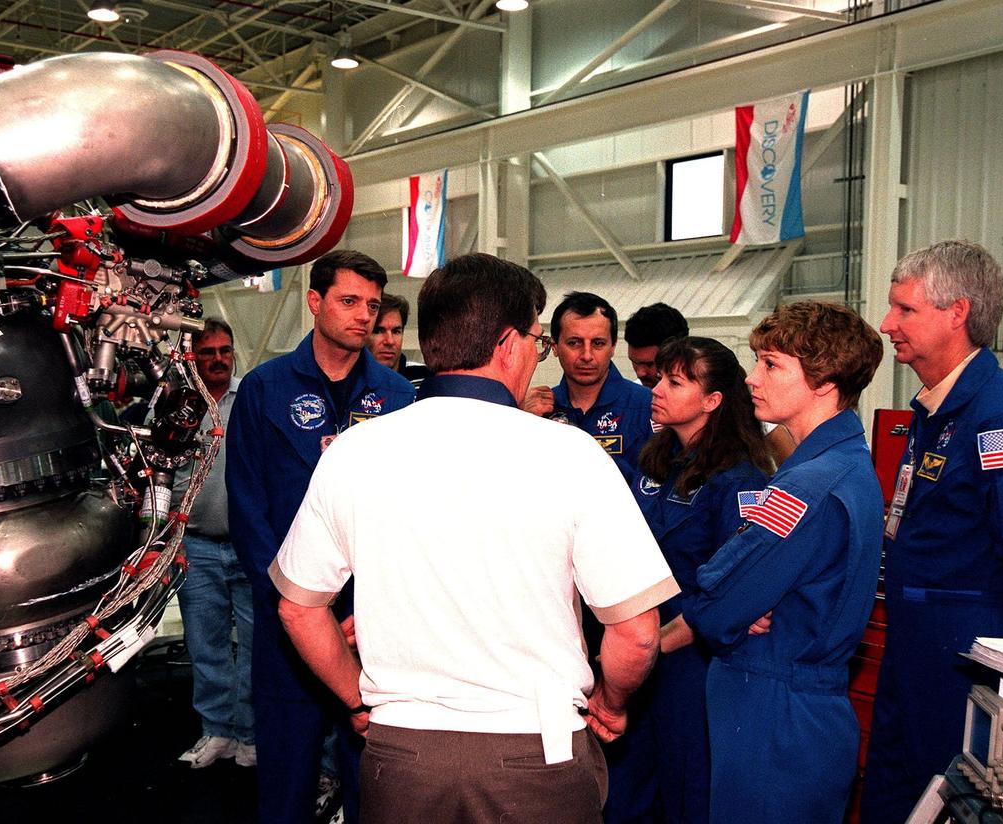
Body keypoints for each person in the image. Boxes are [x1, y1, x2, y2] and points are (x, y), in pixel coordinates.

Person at [270, 253, 678, 824]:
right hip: (538, 753)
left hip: (401, 756)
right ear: (509, 345)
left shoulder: (353, 453)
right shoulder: (570, 455)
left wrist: (355, 698)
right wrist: (610, 704)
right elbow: (636, 632)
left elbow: (297, 609)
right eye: (540, 344)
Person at [861, 240, 1003, 823]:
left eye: (904, 310)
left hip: (966, 670)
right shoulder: (934, 413)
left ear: (957, 312)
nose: (887, 324)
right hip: (916, 657)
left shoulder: (1002, 418)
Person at [226, 249, 416, 824]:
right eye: (349, 301)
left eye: (374, 306)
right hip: (290, 615)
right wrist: (293, 603)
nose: (363, 316)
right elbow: (247, 505)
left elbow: (408, 509)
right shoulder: (264, 389)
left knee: (375, 770)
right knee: (286, 770)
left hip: (371, 621)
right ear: (315, 302)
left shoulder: (398, 398)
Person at [684, 300, 884, 823]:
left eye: (771, 365)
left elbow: (716, 602)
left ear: (824, 381)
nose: (752, 378)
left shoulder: (808, 485)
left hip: (775, 711)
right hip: (794, 706)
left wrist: (725, 598)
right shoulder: (846, 463)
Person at [604, 337, 772, 824]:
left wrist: (657, 643)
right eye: (659, 377)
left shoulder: (739, 480)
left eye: (675, 382)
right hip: (637, 653)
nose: (657, 388)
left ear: (712, 400)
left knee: (687, 792)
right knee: (627, 790)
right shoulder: (654, 462)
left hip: (691, 663)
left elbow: (734, 592)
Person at [174, 319, 256, 769]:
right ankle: (217, 732)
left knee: (254, 648)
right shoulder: (175, 406)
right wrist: (171, 542)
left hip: (247, 546)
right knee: (206, 646)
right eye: (208, 353)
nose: (219, 359)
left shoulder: (251, 400)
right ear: (192, 357)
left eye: (225, 350)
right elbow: (159, 477)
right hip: (197, 548)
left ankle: (251, 734)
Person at [522, 291, 654, 481]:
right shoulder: (536, 413)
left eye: (598, 343)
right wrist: (521, 421)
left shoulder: (648, 406)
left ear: (613, 346)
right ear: (555, 346)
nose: (586, 355)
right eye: (574, 343)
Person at [366, 293, 431, 385]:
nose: (390, 341)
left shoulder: (426, 377)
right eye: (378, 331)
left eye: (396, 331)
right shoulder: (348, 381)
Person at [623, 303, 689, 388]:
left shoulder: (705, 396)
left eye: (649, 364)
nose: (640, 373)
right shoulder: (632, 398)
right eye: (634, 362)